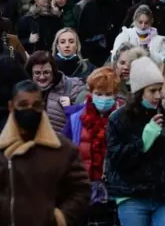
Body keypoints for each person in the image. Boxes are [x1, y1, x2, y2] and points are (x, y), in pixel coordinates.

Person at [0, 80, 91, 226]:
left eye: (36, 105)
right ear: (11, 106)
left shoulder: (64, 149)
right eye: (23, 105)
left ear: (43, 106)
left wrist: (60, 216)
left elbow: (81, 190)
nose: (30, 110)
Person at [105, 57, 165, 226]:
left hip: (163, 196)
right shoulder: (118, 119)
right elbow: (117, 159)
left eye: (160, 89)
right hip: (131, 196)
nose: (158, 95)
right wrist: (143, 142)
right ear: (139, 91)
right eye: (152, 91)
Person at [62, 66, 122, 225]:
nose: (103, 99)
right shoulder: (76, 118)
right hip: (82, 188)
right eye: (99, 94)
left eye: (108, 94)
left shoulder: (123, 119)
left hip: (113, 190)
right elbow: (64, 150)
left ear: (116, 95)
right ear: (91, 94)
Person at [25, 51, 85, 133]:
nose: (42, 77)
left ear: (53, 71)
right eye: (37, 73)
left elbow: (84, 118)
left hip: (63, 143)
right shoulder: (25, 91)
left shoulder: (73, 86)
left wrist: (71, 107)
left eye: (46, 72)